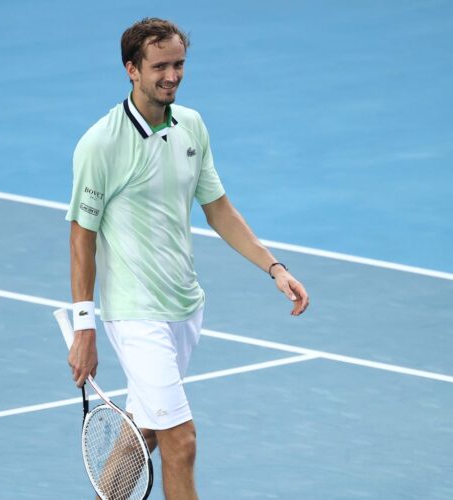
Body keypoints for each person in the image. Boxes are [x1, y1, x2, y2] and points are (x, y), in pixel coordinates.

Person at [65, 17, 309, 499]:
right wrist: (84, 327)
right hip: (136, 314)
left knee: (145, 431)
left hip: (184, 309)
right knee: (181, 440)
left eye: (178, 64)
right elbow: (81, 238)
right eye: (159, 66)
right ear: (132, 69)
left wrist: (274, 267)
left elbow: (218, 209)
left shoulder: (191, 126)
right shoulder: (101, 144)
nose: (171, 76)